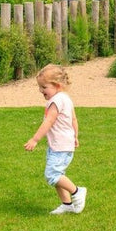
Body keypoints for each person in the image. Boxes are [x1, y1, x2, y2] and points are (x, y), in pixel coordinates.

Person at [25, 64, 87, 215]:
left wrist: (35, 139)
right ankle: (66, 204)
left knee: (52, 175)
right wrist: (75, 136)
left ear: (57, 85)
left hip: (60, 146)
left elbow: (48, 122)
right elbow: (73, 119)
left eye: (44, 87)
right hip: (61, 145)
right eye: (39, 87)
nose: (41, 90)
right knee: (57, 174)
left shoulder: (56, 101)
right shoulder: (66, 98)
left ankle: (77, 191)